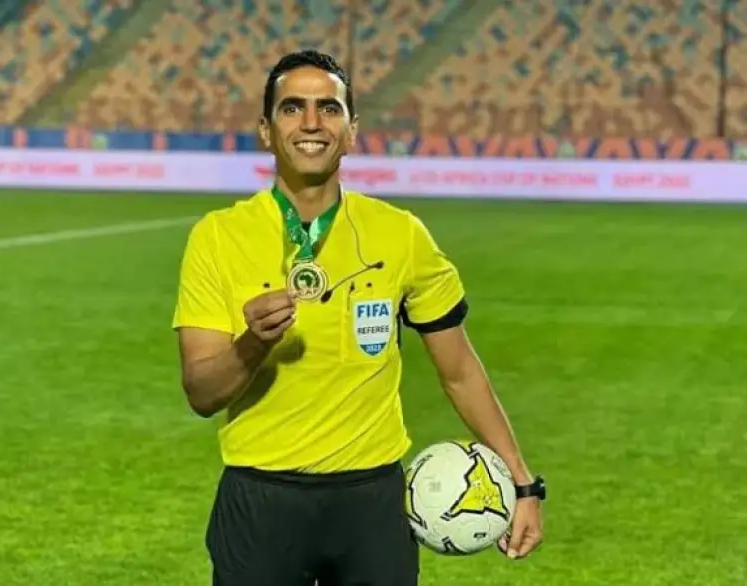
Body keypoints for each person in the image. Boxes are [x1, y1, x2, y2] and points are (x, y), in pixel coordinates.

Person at [172, 49, 544, 586]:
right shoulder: (217, 237)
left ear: (350, 131)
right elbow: (202, 394)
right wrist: (252, 344)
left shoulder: (400, 234)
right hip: (261, 500)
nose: (311, 123)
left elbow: (459, 371)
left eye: (329, 109)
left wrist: (522, 482)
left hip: (373, 506)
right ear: (265, 129)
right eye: (292, 108)